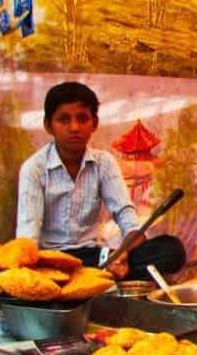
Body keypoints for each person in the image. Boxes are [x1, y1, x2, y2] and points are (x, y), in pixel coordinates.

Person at [17, 81, 144, 277]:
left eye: (82, 118)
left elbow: (123, 211)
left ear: (94, 123)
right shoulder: (34, 169)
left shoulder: (104, 162)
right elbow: (28, 230)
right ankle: (97, 274)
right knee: (25, 265)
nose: (74, 127)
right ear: (48, 125)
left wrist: (130, 240)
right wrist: (29, 265)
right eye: (64, 119)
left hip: (94, 254)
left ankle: (105, 269)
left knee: (169, 250)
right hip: (51, 259)